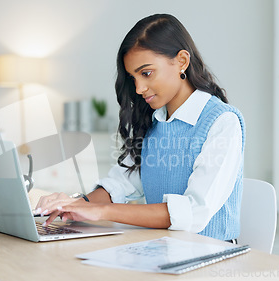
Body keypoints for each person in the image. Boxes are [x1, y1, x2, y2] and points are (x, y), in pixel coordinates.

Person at [34, 13, 245, 242]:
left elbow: (193, 213)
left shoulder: (222, 122)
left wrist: (101, 212)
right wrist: (75, 204)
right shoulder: (154, 121)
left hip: (210, 255)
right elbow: (121, 183)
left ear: (182, 61)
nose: (139, 88)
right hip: (163, 249)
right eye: (133, 78)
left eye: (146, 73)